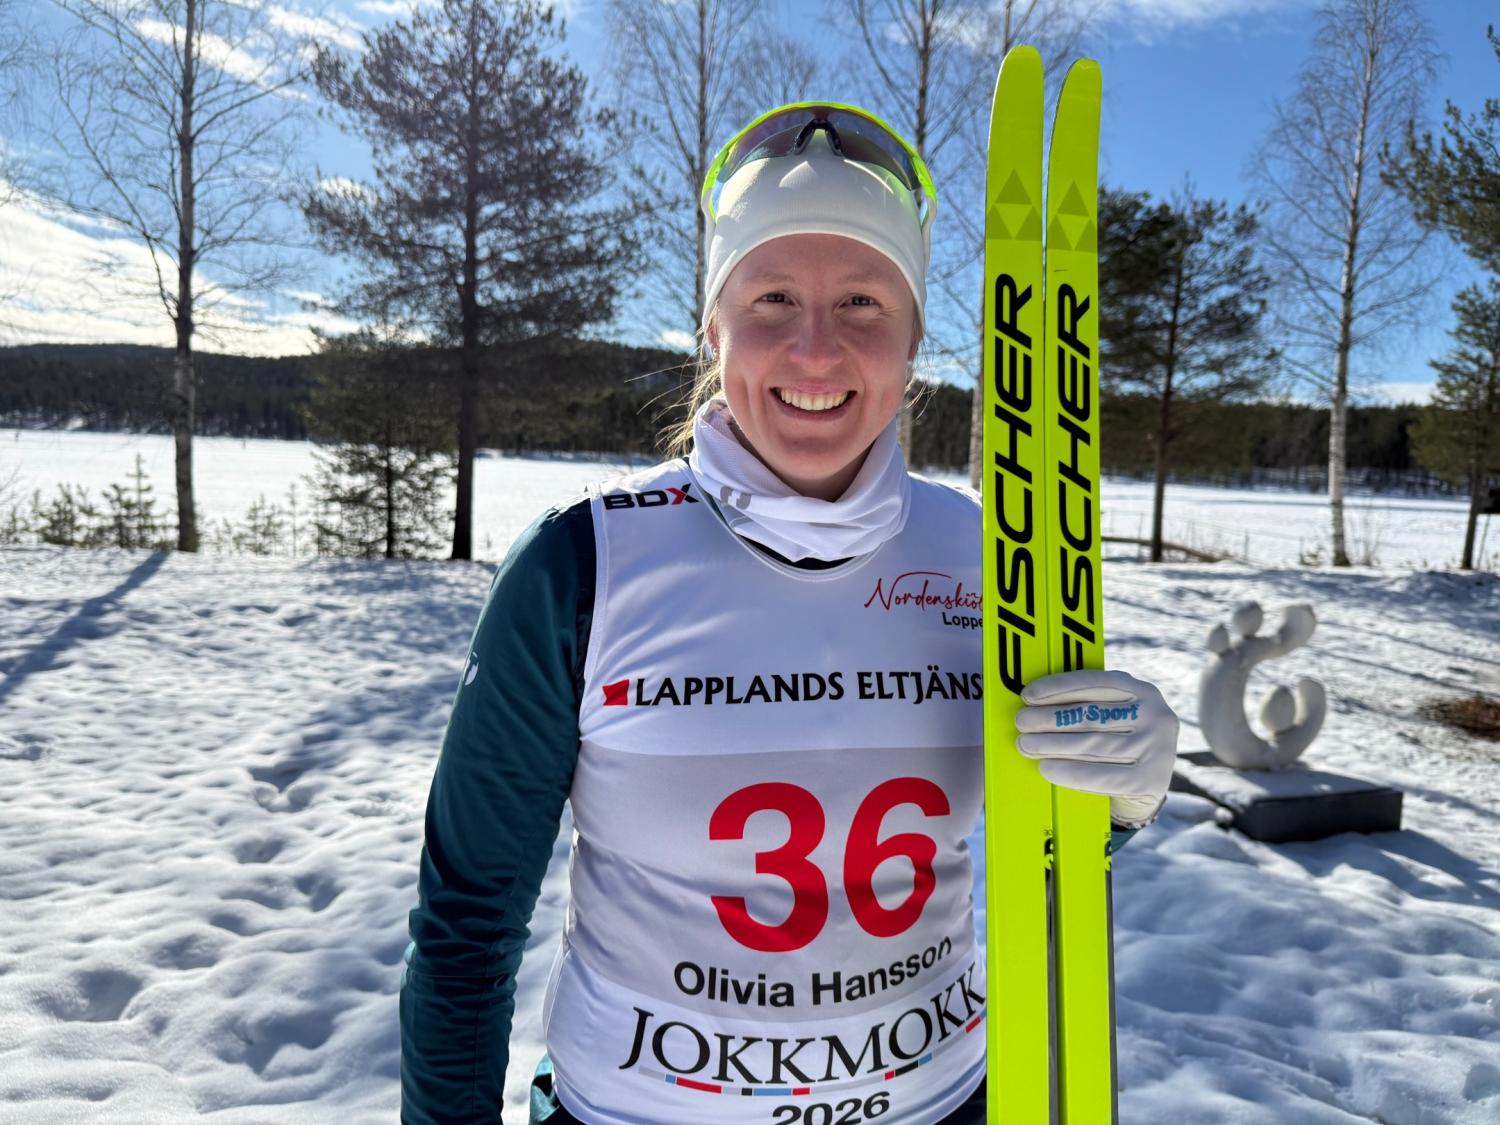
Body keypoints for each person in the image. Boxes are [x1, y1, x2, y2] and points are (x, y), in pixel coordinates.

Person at [399, 102, 1179, 1125]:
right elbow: (467, 923)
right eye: (772, 298)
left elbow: (1044, 850)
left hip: (942, 1104)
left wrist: (1112, 800)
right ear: (713, 328)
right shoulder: (584, 563)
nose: (816, 350)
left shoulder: (989, 556)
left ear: (912, 340)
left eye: (863, 302)